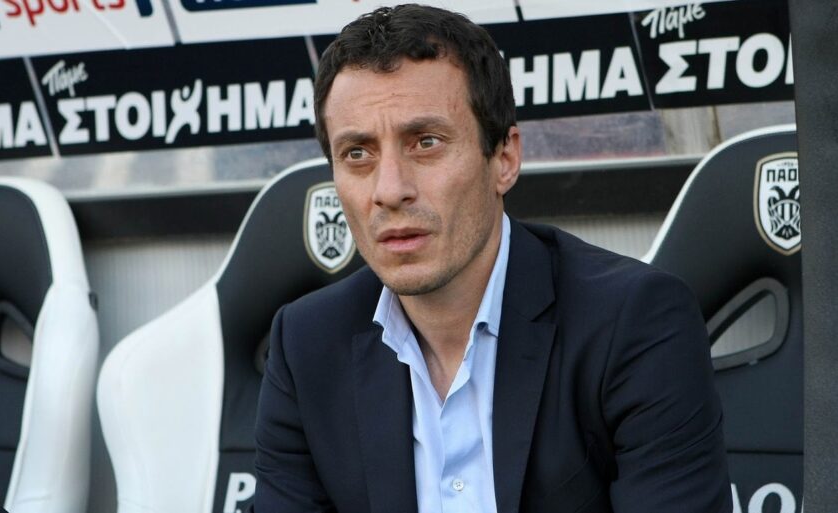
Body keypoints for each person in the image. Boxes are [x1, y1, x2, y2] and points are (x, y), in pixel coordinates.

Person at [254, 4, 731, 512]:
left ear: (504, 159)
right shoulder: (306, 345)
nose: (389, 190)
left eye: (426, 142)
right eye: (357, 153)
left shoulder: (635, 323)